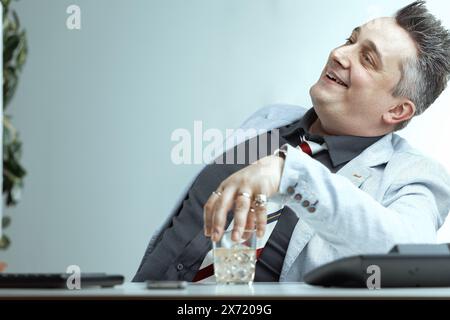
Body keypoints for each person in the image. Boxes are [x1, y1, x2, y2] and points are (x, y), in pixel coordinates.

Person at [133, 1, 450, 282]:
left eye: (367, 58)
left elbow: (407, 254)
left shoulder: (413, 176)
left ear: (397, 110)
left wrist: (291, 174)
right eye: (349, 41)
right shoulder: (269, 120)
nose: (339, 55)